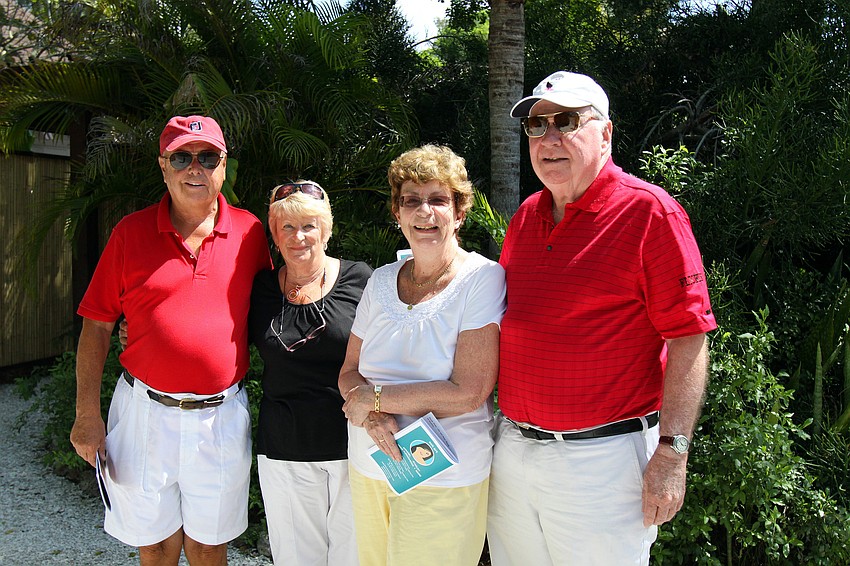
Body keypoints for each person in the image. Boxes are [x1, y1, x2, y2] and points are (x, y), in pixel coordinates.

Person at [486, 71, 718, 566]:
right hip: (512, 449)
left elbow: (689, 340)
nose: (548, 138)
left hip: (602, 461)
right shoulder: (526, 216)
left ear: (605, 133)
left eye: (565, 122)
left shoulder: (650, 213)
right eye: (536, 125)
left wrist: (673, 454)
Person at [70, 115, 272, 565]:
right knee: (157, 548)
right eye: (181, 157)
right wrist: (86, 414)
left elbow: (270, 313)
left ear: (224, 168)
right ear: (163, 167)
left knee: (208, 547)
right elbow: (97, 325)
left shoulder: (251, 233)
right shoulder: (129, 233)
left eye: (207, 157)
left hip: (220, 418)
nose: (193, 168)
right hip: (144, 414)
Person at [338, 144, 506, 566]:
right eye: (411, 200)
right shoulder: (379, 280)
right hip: (370, 463)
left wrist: (372, 399)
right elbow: (349, 371)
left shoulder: (482, 279)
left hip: (443, 474)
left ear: (460, 211)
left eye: (438, 200)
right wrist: (371, 413)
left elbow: (467, 392)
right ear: (397, 213)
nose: (424, 212)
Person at [248, 181, 372, 565]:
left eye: (308, 225)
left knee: (356, 558)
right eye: (286, 227)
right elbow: (207, 321)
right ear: (274, 235)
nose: (298, 236)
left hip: (354, 448)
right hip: (284, 450)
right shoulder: (261, 288)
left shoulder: (362, 280)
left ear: (327, 229)